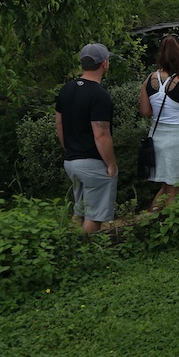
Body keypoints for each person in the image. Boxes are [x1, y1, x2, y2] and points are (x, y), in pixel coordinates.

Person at [55, 43, 118, 233]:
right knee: (94, 217)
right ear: (104, 64)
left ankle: (72, 248)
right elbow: (101, 134)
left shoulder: (66, 90)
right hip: (92, 163)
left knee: (80, 210)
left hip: (71, 162)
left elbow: (59, 124)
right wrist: (111, 164)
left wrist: (69, 150)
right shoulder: (99, 95)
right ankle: (86, 256)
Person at [138, 35, 179, 212]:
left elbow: (145, 111)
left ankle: (151, 223)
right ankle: (169, 228)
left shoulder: (149, 80)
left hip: (158, 140)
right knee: (175, 190)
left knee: (166, 188)